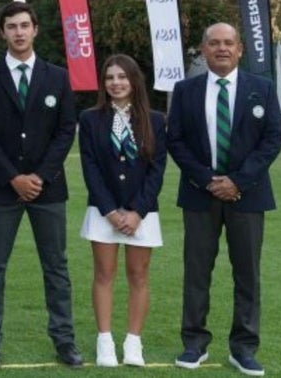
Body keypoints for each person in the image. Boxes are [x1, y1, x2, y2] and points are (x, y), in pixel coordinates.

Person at [0, 1, 83, 367]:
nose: (18, 32)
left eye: (24, 25)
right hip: (1, 187)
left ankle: (64, 341)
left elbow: (66, 130)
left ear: (35, 29)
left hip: (47, 187)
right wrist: (13, 177)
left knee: (56, 267)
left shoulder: (58, 77)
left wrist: (39, 176)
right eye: (11, 26)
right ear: (2, 32)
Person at [168, 23, 281, 376]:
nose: (221, 48)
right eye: (214, 43)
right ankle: (194, 344)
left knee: (247, 275)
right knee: (197, 273)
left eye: (228, 43)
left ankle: (243, 349)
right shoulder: (185, 90)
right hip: (199, 195)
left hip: (247, 196)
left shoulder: (262, 88)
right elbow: (176, 140)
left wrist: (237, 181)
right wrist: (207, 180)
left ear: (240, 49)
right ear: (203, 50)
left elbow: (272, 140)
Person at [78, 54, 166, 367]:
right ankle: (105, 342)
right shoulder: (90, 119)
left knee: (138, 276)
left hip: (142, 213)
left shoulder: (155, 120)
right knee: (104, 274)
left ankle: (133, 343)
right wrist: (111, 211)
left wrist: (137, 211)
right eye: (109, 77)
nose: (116, 83)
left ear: (134, 80)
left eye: (122, 77)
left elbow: (157, 170)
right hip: (104, 211)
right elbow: (90, 167)